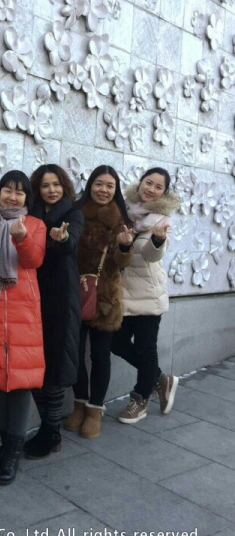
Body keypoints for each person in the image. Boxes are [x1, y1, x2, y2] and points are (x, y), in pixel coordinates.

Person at [0, 170, 46, 484]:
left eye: (19, 192)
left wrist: (21, 237)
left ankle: (13, 452)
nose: (12, 197)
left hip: (23, 315)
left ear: (27, 198)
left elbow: (34, 260)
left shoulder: (35, 225)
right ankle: (6, 445)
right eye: (7, 190)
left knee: (20, 384)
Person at [64, 165, 134, 439]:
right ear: (90, 185)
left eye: (109, 186)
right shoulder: (75, 214)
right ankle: (79, 404)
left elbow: (122, 263)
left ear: (115, 190)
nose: (103, 190)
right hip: (75, 294)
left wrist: (125, 246)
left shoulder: (121, 221)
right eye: (99, 184)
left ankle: (95, 410)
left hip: (105, 299)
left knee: (100, 357)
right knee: (75, 356)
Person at [112, 168, 181, 423]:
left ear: (164, 192)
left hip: (148, 294)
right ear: (140, 183)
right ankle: (160, 379)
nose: (151, 189)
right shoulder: (126, 211)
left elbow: (152, 255)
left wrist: (158, 240)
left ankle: (140, 400)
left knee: (145, 347)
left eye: (158, 187)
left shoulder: (161, 220)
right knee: (116, 343)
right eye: (148, 183)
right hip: (123, 293)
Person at [25, 164, 83, 458]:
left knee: (57, 364)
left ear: (64, 186)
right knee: (36, 364)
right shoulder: (29, 215)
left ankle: (52, 429)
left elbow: (72, 241)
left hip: (61, 298)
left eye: (56, 184)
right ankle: (47, 428)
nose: (51, 190)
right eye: (45, 185)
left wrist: (61, 240)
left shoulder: (73, 213)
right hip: (32, 297)